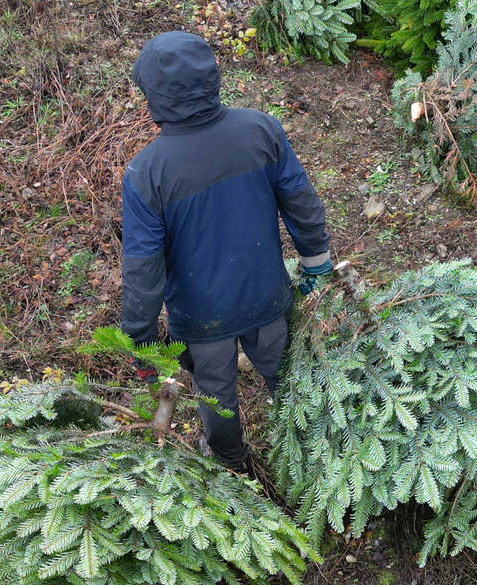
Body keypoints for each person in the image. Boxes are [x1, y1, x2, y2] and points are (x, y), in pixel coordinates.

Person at [120, 31, 332, 473]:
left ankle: (234, 467)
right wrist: (315, 260)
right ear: (213, 76)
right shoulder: (260, 128)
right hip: (267, 299)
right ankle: (317, 452)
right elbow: (300, 200)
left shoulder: (147, 172)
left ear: (154, 96)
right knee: (289, 378)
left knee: (216, 399)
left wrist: (143, 343)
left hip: (202, 323)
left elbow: (143, 269)